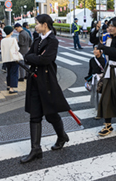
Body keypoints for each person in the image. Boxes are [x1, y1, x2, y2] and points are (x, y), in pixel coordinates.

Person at [21, 14, 71, 164]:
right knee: (34, 115)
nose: (34, 26)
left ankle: (62, 136)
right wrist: (33, 58)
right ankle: (35, 149)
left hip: (47, 81)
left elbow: (46, 60)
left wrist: (32, 58)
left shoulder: (52, 41)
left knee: (51, 114)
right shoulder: (37, 39)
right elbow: (27, 56)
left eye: (37, 23)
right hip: (34, 81)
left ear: (45, 25)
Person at [85, 45, 106, 112]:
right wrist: (88, 78)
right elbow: (90, 71)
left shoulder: (104, 61)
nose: (94, 51)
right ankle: (98, 108)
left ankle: (102, 108)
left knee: (101, 94)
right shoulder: (92, 60)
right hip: (95, 79)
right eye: (94, 49)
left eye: (96, 49)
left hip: (102, 79)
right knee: (95, 94)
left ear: (101, 51)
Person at [1, 26, 20, 94]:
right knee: (14, 73)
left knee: (9, 73)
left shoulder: (2, 40)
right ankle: (11, 89)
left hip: (6, 59)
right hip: (13, 58)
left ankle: (8, 85)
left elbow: (2, 50)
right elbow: (17, 48)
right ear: (11, 32)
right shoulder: (13, 39)